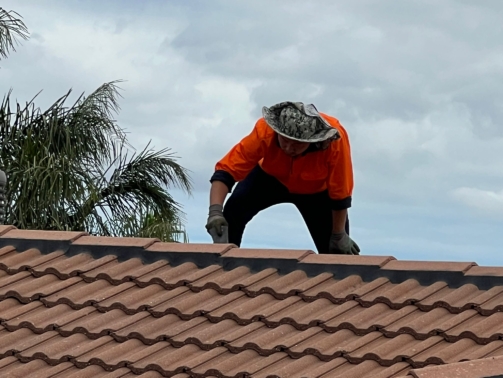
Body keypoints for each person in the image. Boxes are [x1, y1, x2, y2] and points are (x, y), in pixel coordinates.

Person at [205, 101, 360, 255]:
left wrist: (339, 234)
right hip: (269, 177)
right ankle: (224, 262)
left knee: (337, 250)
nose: (289, 148)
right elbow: (226, 171)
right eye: (285, 140)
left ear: (312, 140)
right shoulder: (265, 130)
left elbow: (340, 191)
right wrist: (215, 212)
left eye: (298, 144)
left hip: (316, 190)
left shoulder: (334, 141)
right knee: (232, 213)